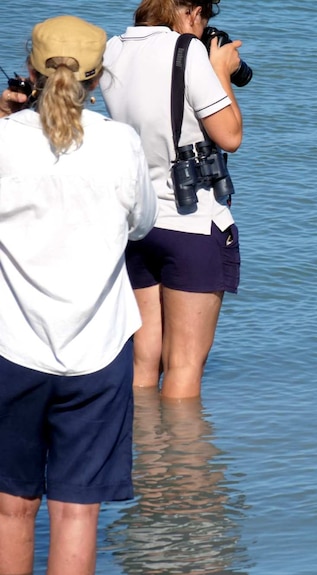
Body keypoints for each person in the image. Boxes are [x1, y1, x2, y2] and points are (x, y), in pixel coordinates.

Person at [0, 15, 157, 575]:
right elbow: (141, 224)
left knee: (11, 509)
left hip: (11, 349)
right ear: (97, 78)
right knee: (77, 513)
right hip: (98, 350)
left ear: (30, 69)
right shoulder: (119, 143)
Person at [100, 0, 244, 400]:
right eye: (206, 18)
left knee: (143, 363)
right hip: (191, 224)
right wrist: (220, 73)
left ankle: (144, 456)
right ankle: (184, 461)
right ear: (192, 10)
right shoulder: (189, 50)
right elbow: (230, 135)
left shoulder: (114, 48)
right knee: (184, 365)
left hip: (137, 223)